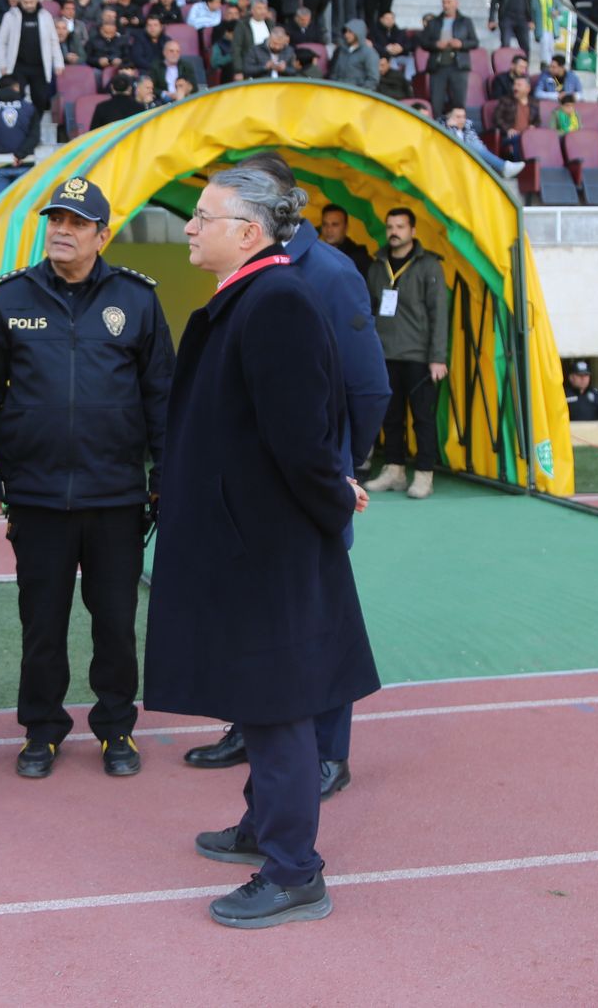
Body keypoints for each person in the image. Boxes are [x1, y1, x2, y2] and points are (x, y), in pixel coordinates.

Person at [148, 161, 375, 930]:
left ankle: (293, 870)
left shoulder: (275, 301)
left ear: (246, 232)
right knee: (258, 695)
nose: (188, 227)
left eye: (202, 217)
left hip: (268, 546)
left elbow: (302, 442)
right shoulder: (254, 294)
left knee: (278, 709)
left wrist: (337, 491)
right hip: (245, 540)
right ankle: (260, 828)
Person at [0, 178, 172, 779]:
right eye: (55, 219)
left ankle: (115, 729)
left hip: (117, 495)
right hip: (37, 494)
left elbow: (162, 397)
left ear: (102, 235)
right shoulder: (12, 297)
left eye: (77, 222)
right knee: (42, 622)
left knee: (114, 621)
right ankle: (43, 729)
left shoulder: (136, 300)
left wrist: (167, 476)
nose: (61, 229)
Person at [363, 207, 447, 500]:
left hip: (419, 355)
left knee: (422, 418)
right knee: (390, 417)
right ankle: (394, 470)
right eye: (389, 226)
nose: (394, 232)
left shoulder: (429, 266)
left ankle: (425, 475)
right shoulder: (377, 265)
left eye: (400, 226)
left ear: (412, 230)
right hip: (385, 354)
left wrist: (438, 357)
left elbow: (439, 314)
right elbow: (370, 310)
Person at [0, 0, 63, 115]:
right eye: (26, 2)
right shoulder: (10, 16)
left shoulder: (46, 16)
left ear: (37, 0)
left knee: (40, 100)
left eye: (31, 2)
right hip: (18, 66)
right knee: (16, 99)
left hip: (40, 67)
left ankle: (35, 129)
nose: (29, 5)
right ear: (21, 1)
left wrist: (59, 62)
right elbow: (0, 42)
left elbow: (53, 41)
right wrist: (2, 64)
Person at [420, 0, 478, 118]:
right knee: (436, 103)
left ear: (456, 3)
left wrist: (461, 44)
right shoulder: (434, 22)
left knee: (458, 104)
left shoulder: (465, 21)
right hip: (438, 67)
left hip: (458, 66)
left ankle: (458, 133)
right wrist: (436, 45)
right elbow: (423, 42)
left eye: (449, 2)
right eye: (444, 2)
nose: (446, 5)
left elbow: (474, 42)